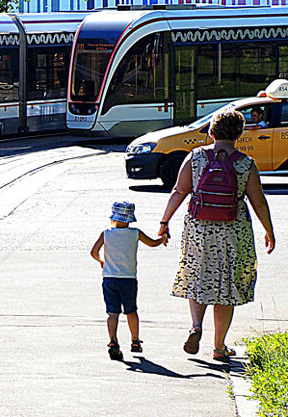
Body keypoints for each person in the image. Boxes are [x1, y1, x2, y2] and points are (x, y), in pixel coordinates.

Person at [158, 109, 275, 361]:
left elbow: (179, 191)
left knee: (199, 277)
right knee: (227, 285)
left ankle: (195, 326)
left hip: (199, 229)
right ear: (239, 134)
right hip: (234, 229)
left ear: (211, 132)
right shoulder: (246, 163)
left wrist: (164, 221)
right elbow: (259, 202)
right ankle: (219, 346)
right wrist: (269, 230)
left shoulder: (196, 157)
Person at [90, 201, 164, 360]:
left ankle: (112, 341)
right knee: (131, 311)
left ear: (114, 217)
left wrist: (102, 260)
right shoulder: (135, 233)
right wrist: (162, 238)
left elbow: (93, 252)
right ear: (130, 218)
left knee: (112, 312)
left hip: (109, 279)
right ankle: (135, 340)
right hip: (128, 279)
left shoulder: (106, 233)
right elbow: (152, 243)